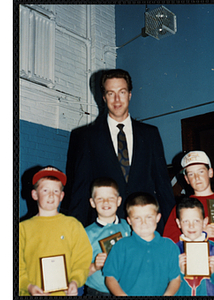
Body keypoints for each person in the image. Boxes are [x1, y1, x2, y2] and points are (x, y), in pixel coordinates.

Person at [60, 69, 175, 234]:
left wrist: (172, 231)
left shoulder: (150, 134)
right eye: (110, 93)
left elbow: (163, 186)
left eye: (121, 92)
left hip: (146, 226)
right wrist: (74, 235)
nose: (117, 99)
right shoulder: (86, 137)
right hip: (105, 230)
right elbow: (80, 190)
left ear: (130, 94)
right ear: (104, 97)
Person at [19, 166, 92, 296]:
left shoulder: (73, 225)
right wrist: (28, 286)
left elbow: (82, 259)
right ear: (35, 194)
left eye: (56, 191)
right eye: (45, 190)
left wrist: (75, 281)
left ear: (62, 196)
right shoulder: (23, 229)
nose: (51, 195)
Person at [103, 192, 181, 296]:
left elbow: (175, 279)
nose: (143, 223)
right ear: (129, 221)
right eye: (137, 218)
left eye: (149, 217)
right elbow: (110, 278)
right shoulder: (121, 246)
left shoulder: (169, 246)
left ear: (158, 218)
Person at [163, 151, 214, 252]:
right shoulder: (182, 207)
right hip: (197, 262)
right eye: (191, 174)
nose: (197, 178)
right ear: (186, 179)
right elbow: (168, 243)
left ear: (210, 172)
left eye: (201, 171)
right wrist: (197, 234)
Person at [84, 177, 131, 296]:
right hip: (98, 292)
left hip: (127, 290)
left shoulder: (129, 227)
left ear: (119, 201)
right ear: (92, 203)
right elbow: (76, 271)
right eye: (100, 199)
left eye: (111, 198)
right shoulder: (85, 234)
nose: (106, 202)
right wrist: (94, 266)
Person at [174, 197, 214, 296]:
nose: (191, 226)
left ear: (205, 222)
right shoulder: (171, 252)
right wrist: (179, 274)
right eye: (186, 221)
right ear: (178, 223)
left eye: (196, 221)